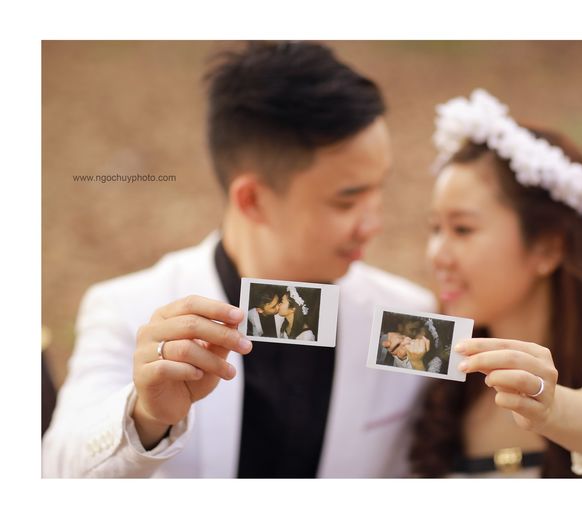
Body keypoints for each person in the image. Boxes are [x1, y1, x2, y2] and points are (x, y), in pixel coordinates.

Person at [42, 41, 435, 478]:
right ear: (252, 200)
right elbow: (55, 470)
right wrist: (146, 416)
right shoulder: (128, 310)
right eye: (347, 201)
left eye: (379, 188)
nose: (374, 224)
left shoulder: (409, 320)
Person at [409, 89, 582, 478]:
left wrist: (552, 408)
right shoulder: (437, 365)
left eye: (462, 229)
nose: (437, 255)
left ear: (547, 248)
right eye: (435, 229)